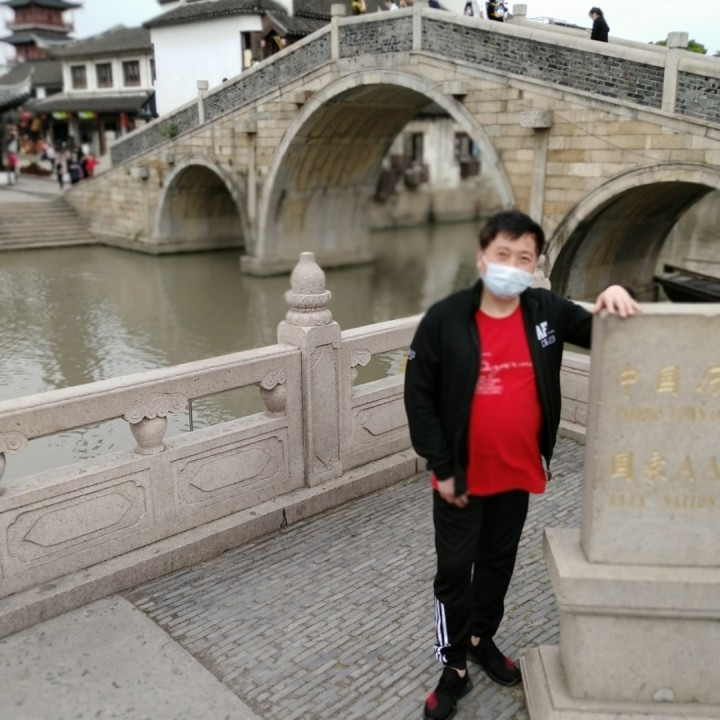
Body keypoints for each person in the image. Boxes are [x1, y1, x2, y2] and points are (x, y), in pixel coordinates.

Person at [403, 210, 639, 720]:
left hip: (516, 470)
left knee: (498, 560)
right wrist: (442, 466)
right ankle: (454, 665)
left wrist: (616, 291)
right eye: (502, 255)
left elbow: (602, 329)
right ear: (482, 258)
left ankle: (481, 638)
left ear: (535, 265)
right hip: (460, 476)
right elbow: (419, 397)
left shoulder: (546, 310)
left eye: (524, 258)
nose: (512, 266)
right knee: (454, 569)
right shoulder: (445, 319)